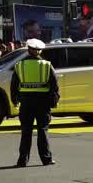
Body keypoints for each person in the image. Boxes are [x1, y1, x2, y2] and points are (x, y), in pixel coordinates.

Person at [10, 38, 58, 166]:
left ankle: (22, 160)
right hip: (43, 103)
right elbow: (54, 85)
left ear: (28, 50)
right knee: (43, 130)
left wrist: (14, 100)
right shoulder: (47, 65)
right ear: (40, 51)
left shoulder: (19, 66)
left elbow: (14, 85)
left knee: (26, 131)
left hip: (26, 102)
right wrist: (54, 101)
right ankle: (46, 159)